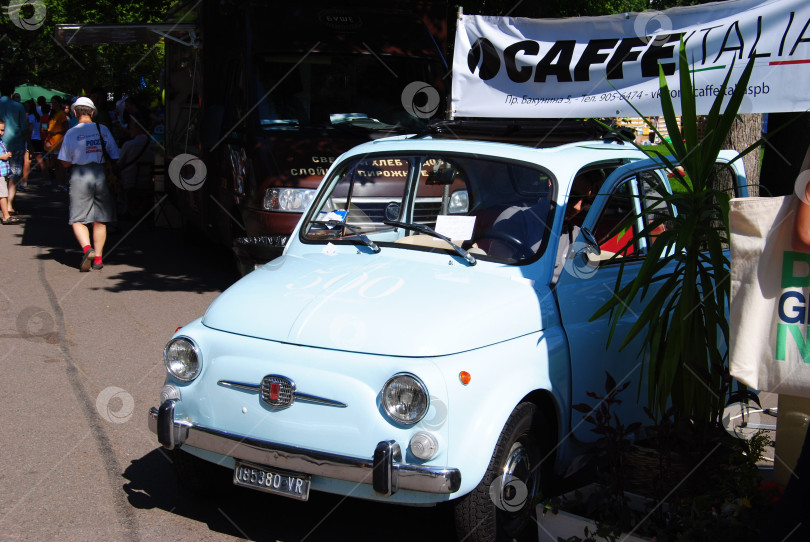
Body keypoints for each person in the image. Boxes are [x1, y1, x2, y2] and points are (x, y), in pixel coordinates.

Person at [58, 96, 120, 271]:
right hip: (100, 175)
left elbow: (64, 162)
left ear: (75, 113)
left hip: (79, 175)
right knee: (99, 220)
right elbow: (115, 154)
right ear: (92, 112)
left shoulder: (71, 133)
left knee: (78, 218)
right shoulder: (103, 129)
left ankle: (87, 249)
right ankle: (98, 259)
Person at [553, 169, 604, 282]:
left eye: (586, 202)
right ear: (552, 184)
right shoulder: (517, 220)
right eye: (573, 197)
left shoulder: (579, 237)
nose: (578, 207)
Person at [116, 113, 154, 219]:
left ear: (138, 128)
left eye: (131, 127)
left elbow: (120, 164)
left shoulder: (129, 145)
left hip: (130, 182)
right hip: (147, 180)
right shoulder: (153, 144)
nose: (129, 130)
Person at [0, 81, 29, 214]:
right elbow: (24, 128)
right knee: (13, 175)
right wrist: (30, 145)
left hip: (1, 144)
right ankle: (10, 205)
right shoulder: (18, 106)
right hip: (15, 144)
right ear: (12, 93)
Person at [45, 95, 69, 191]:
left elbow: (66, 128)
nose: (53, 105)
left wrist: (56, 133)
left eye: (54, 103)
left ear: (59, 103)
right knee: (55, 164)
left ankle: (62, 184)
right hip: (52, 142)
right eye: (52, 103)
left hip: (59, 142)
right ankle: (60, 183)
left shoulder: (61, 114)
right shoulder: (53, 114)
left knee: (60, 164)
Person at [0, 120, 21, 224]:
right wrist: (3, 156)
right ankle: (6, 216)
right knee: (3, 194)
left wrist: (7, 154)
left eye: (2, 130)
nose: (1, 132)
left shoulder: (1, 141)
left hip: (2, 172)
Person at [21, 99, 44, 190]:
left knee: (27, 162)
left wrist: (24, 132)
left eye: (26, 106)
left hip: (31, 140)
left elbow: (29, 130)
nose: (25, 108)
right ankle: (47, 179)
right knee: (40, 161)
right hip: (38, 139)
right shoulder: (37, 116)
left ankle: (24, 182)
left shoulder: (30, 116)